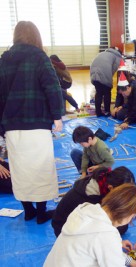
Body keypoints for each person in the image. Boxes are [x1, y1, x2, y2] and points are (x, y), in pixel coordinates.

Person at [0, 21, 64, 224]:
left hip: (11, 126)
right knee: (41, 168)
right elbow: (52, 87)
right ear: (35, 36)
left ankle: (28, 210)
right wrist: (57, 116)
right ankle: (42, 212)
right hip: (37, 124)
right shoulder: (39, 57)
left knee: (20, 169)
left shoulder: (4, 59)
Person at [45, 183, 136, 267]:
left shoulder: (85, 209)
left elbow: (98, 246)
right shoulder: (107, 235)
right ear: (130, 214)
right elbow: (107, 250)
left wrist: (128, 260)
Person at [52, 166, 136, 237]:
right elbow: (97, 227)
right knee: (121, 226)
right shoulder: (91, 199)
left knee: (123, 225)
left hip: (69, 220)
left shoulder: (103, 179)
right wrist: (115, 241)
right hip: (64, 231)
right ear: (111, 188)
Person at [90, 47, 122, 117]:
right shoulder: (117, 56)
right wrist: (109, 79)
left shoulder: (103, 53)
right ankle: (107, 111)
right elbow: (114, 69)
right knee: (107, 92)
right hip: (104, 71)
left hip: (93, 72)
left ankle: (98, 112)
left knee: (99, 92)